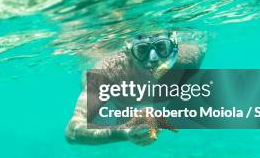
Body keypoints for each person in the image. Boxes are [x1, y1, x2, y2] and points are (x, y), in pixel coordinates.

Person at [65, 30, 206, 146]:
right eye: (142, 50)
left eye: (162, 47)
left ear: (173, 48)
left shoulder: (189, 59)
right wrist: (124, 132)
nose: (153, 59)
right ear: (129, 52)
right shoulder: (109, 70)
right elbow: (72, 131)